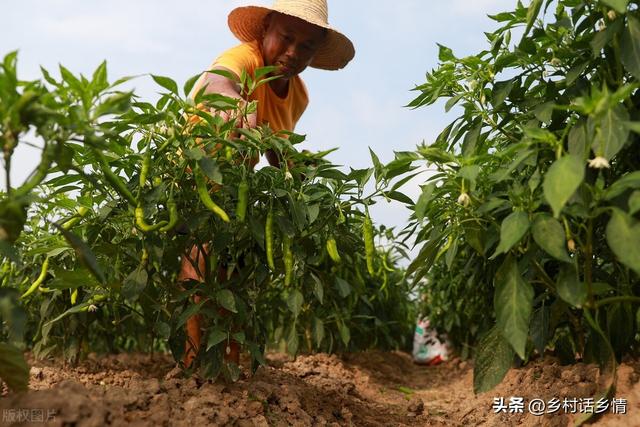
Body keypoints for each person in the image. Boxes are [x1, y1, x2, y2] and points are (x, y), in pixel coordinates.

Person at [179, 0, 355, 368]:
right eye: (286, 38)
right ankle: (191, 363)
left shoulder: (299, 94)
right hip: (198, 172)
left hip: (239, 185)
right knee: (201, 256)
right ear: (266, 30)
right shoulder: (244, 57)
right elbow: (218, 80)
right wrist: (230, 98)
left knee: (237, 271)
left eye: (306, 46)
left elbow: (279, 149)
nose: (293, 53)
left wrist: (302, 178)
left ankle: (231, 362)